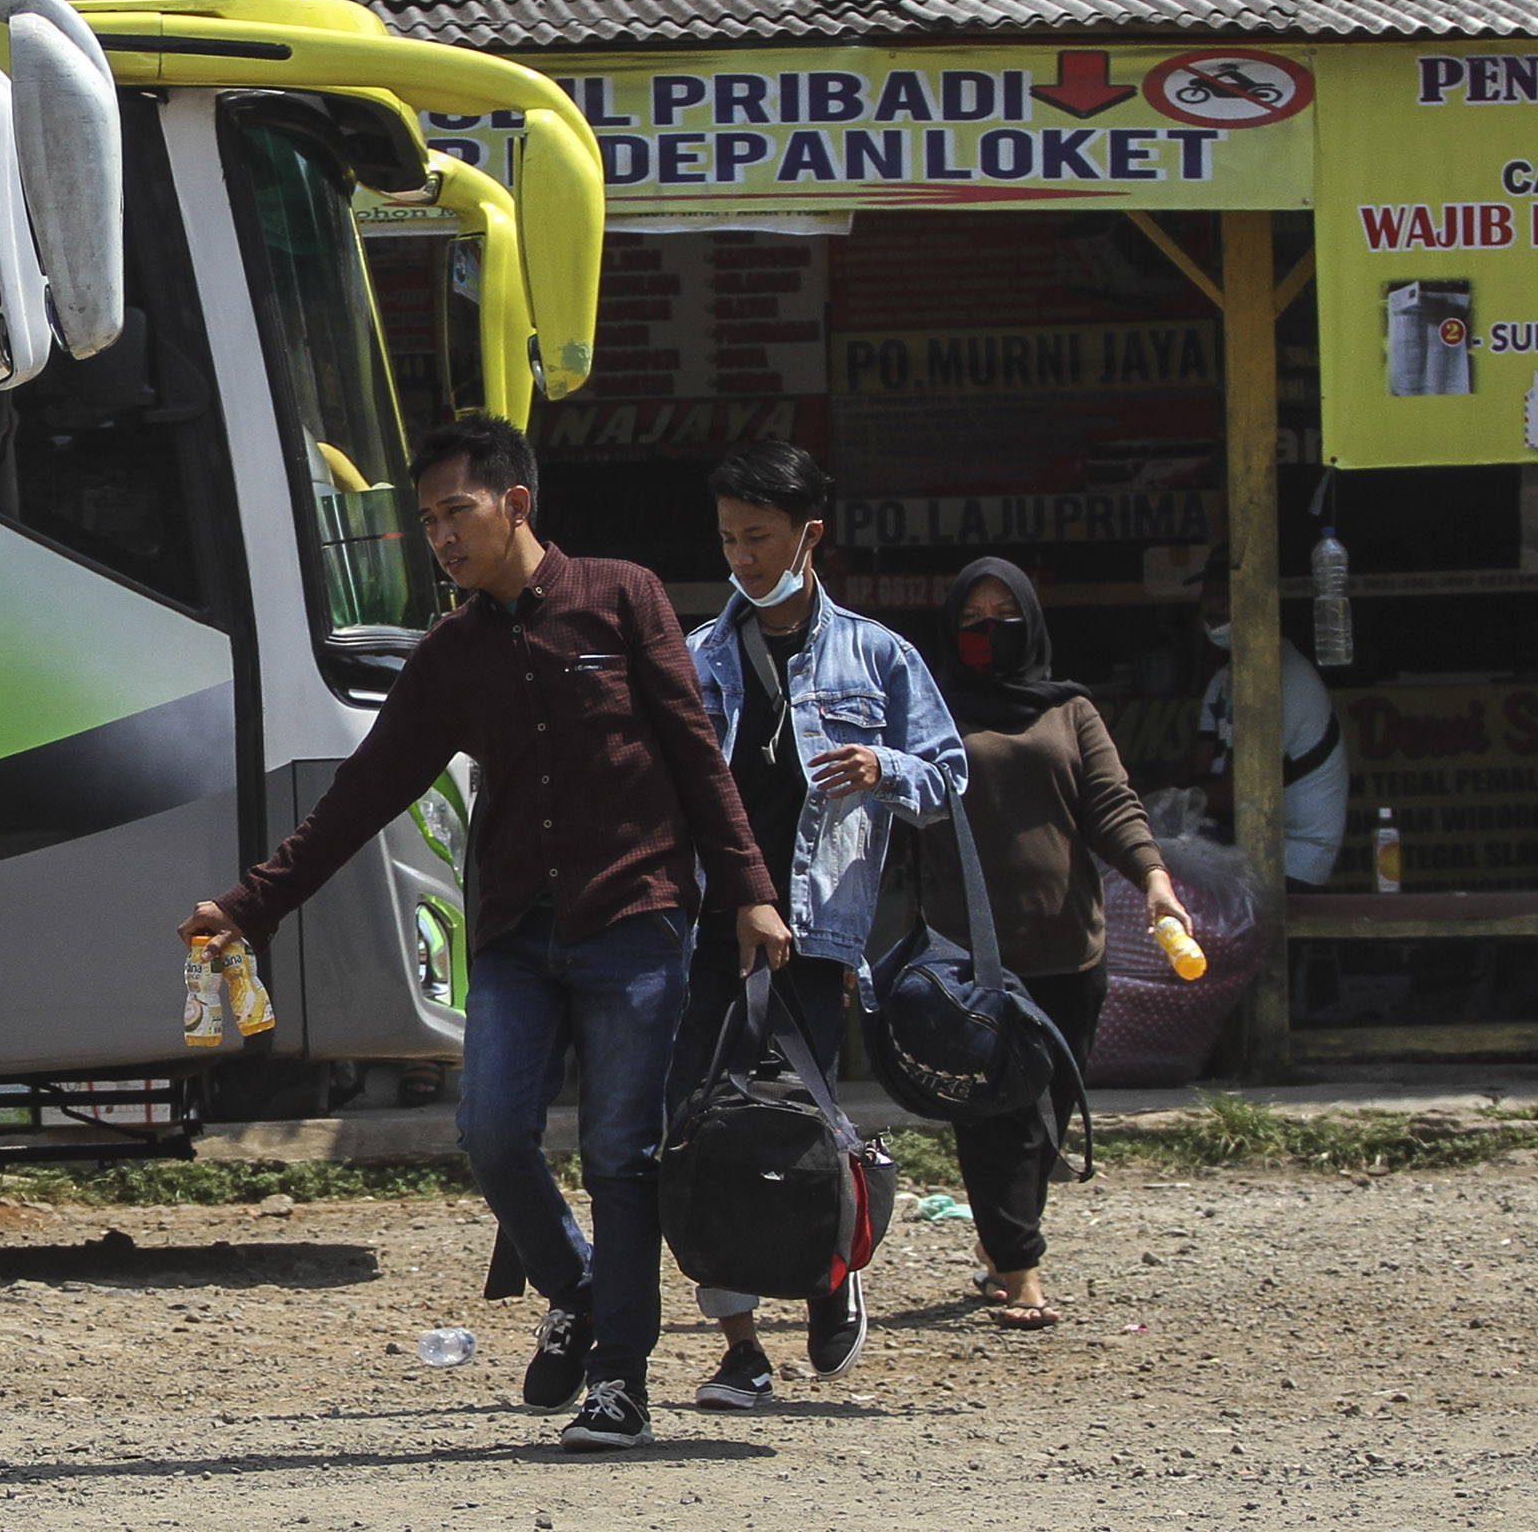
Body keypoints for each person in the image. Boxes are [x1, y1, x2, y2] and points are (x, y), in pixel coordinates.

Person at [180, 417, 788, 1451]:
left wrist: (749, 891)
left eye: (454, 512)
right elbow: (364, 793)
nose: (441, 538)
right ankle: (579, 1287)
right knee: (493, 1133)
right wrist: (249, 904)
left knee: (620, 1153)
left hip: (636, 919)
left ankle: (619, 1381)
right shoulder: (450, 654)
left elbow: (695, 752)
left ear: (514, 503)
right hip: (515, 935)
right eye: (427, 522)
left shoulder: (622, 596)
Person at [673, 445, 966, 1409]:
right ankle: (741, 1349)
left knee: (801, 1123)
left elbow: (949, 774)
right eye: (728, 538)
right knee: (700, 1131)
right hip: (708, 928)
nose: (743, 557)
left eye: (760, 537)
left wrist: (886, 767)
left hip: (814, 936)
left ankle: (832, 1275)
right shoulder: (697, 656)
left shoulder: (878, 656)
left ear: (810, 536)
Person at [930, 558, 1195, 1329]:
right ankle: (1023, 1272)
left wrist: (1153, 879)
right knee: (994, 1116)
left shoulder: (1070, 710)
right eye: (973, 617)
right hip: (970, 955)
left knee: (1049, 1112)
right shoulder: (930, 711)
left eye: (1005, 615)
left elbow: (1111, 804)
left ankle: (1000, 1242)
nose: (990, 630)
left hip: (1068, 948)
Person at [1191, 547, 1346, 890]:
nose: (1213, 604)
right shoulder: (1225, 678)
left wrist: (1152, 806)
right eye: (1208, 593)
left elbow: (1232, 794)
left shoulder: (1284, 678)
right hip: (1243, 844)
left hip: (1294, 860)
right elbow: (1199, 768)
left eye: (1225, 595)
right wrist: (1138, 789)